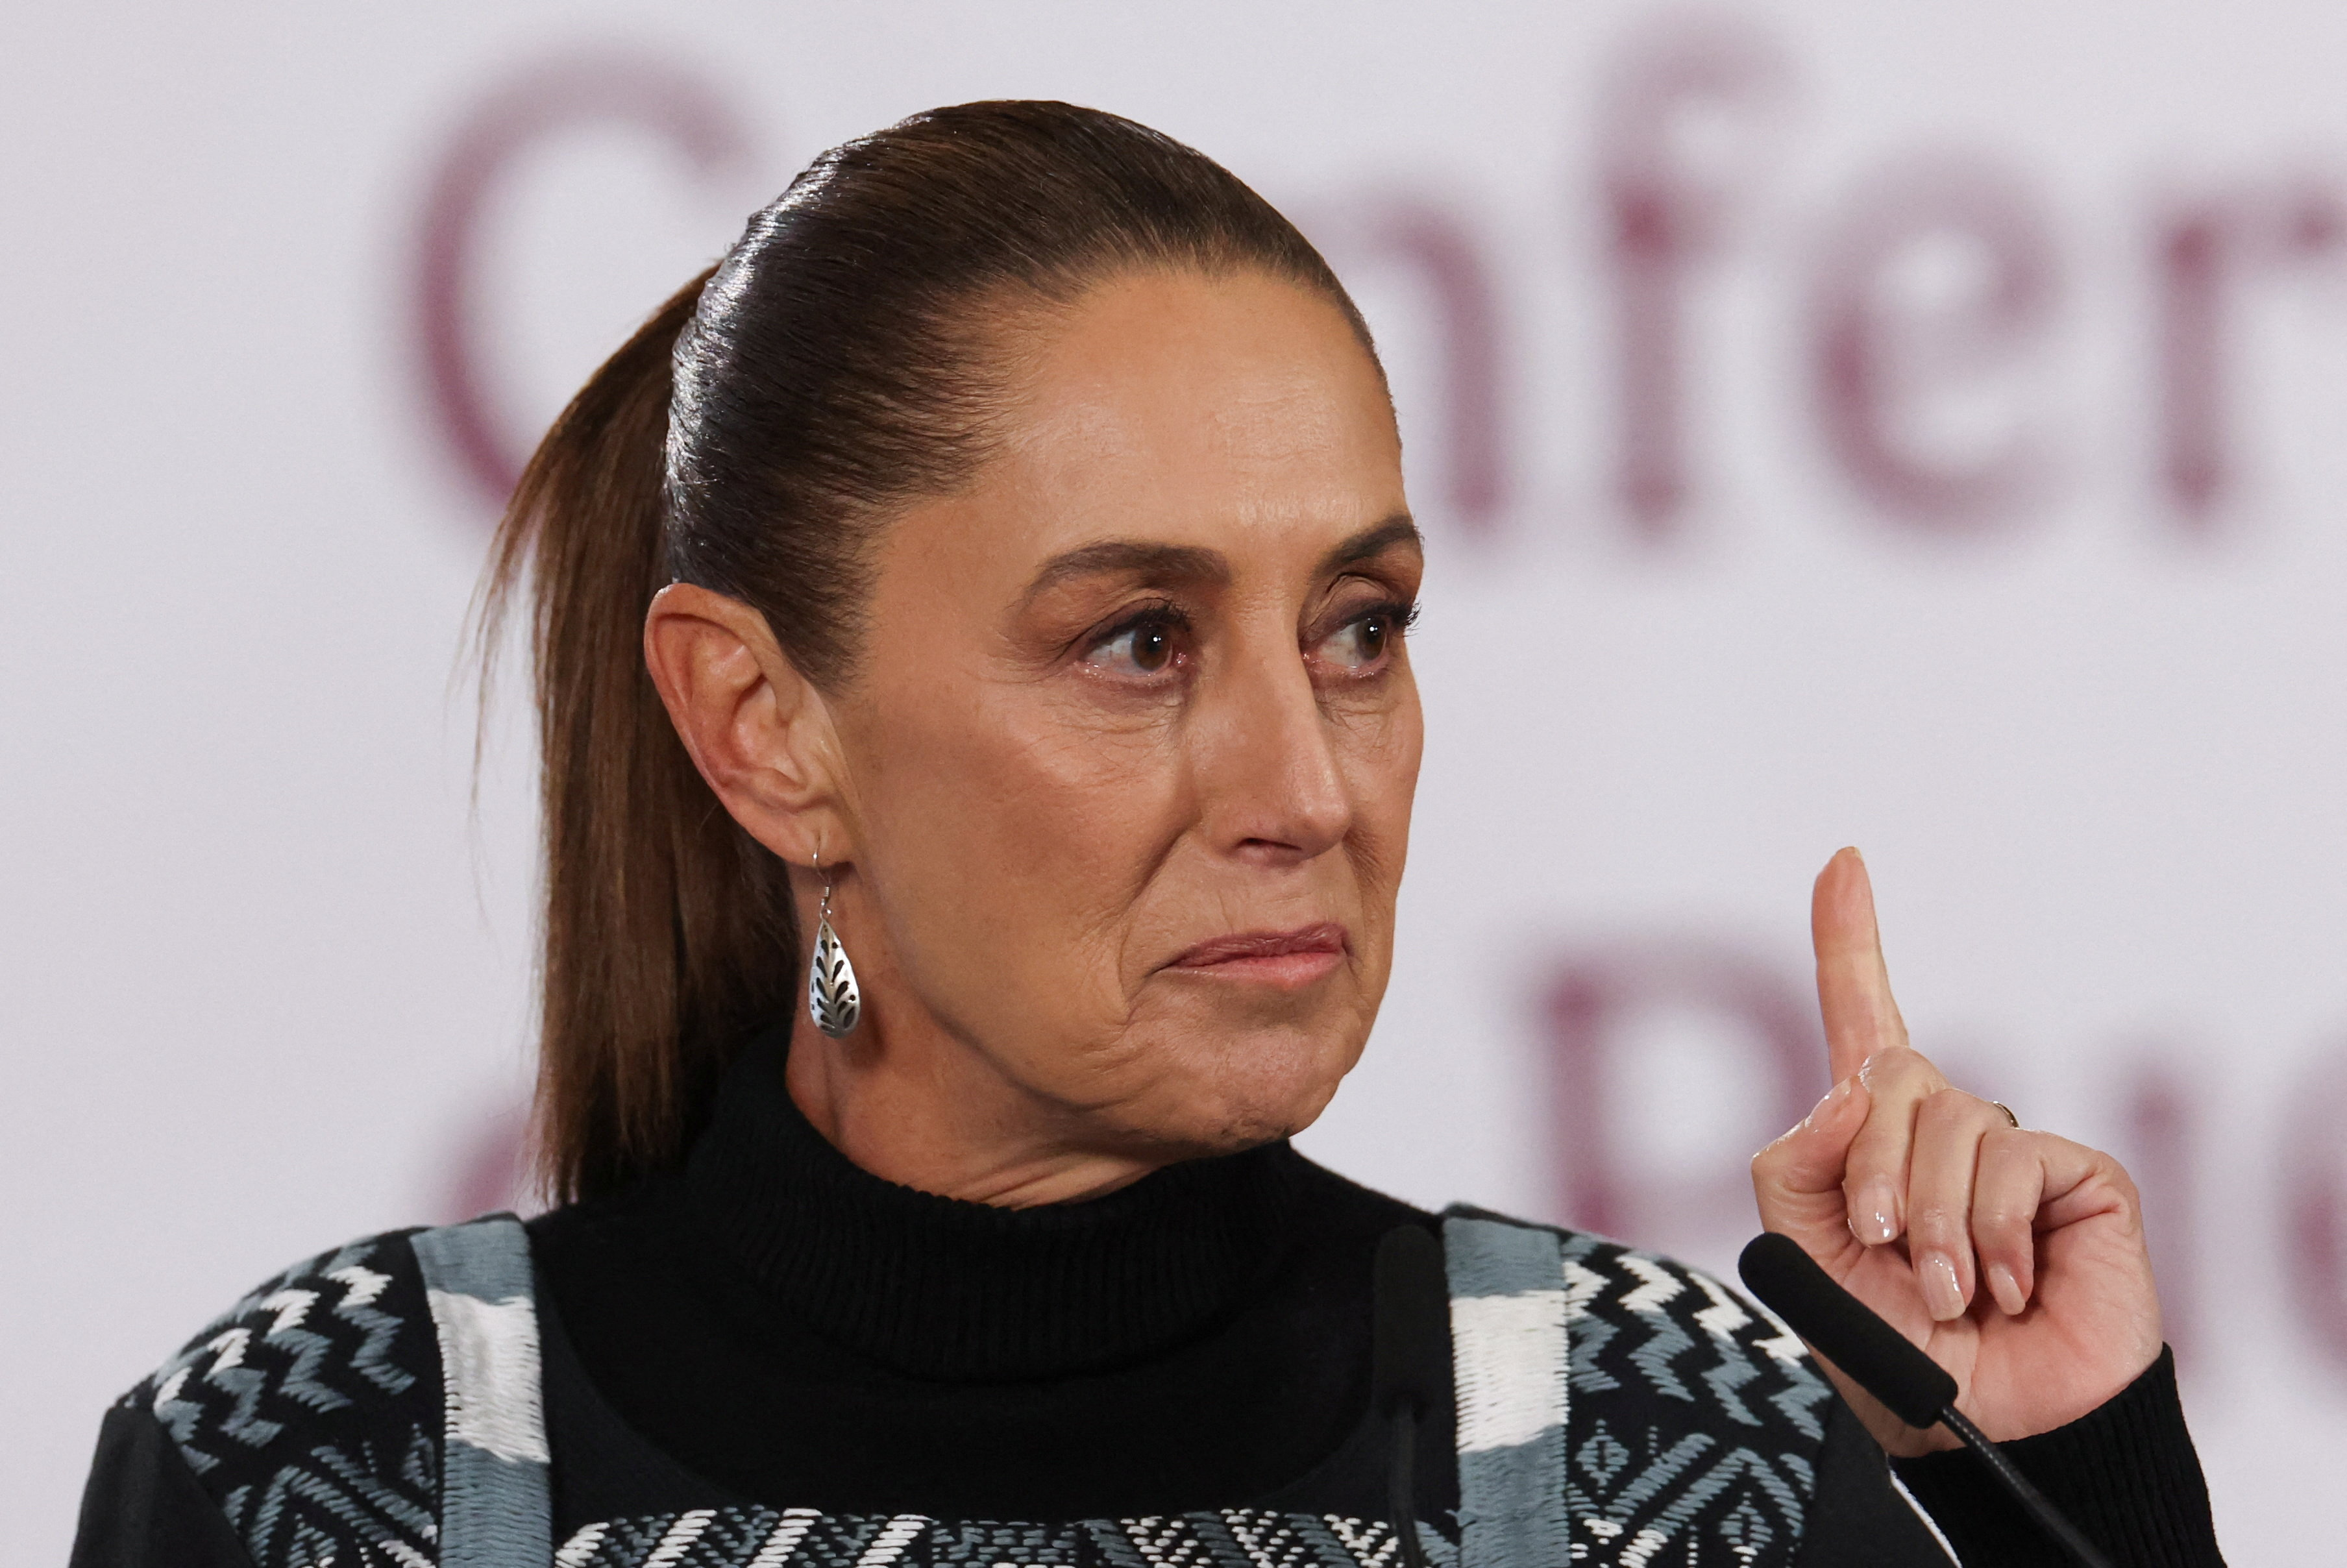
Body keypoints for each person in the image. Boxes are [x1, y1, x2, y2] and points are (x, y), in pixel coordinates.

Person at [70, 101, 2222, 1568]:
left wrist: (2074, 1488)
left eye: (1360, 627)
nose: (1306, 788)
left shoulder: (1670, 1459)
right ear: (762, 724)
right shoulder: (306, 1473)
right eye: (1134, 640)